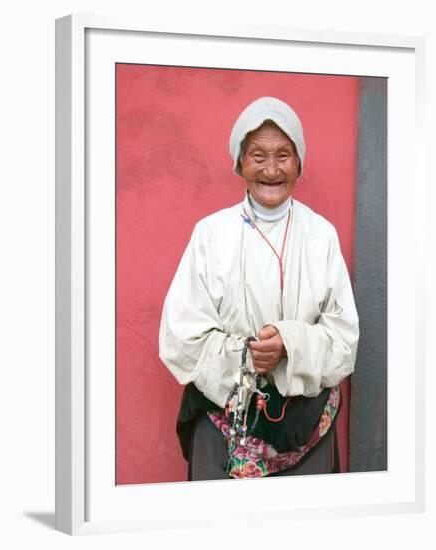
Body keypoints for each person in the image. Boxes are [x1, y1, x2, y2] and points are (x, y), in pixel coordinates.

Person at [159, 96, 359, 480]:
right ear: (240, 163)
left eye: (283, 155)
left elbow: (344, 341)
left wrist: (289, 344)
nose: (271, 169)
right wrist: (246, 357)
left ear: (299, 162)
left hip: (306, 427)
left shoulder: (321, 236)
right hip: (223, 426)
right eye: (258, 155)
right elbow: (180, 338)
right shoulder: (211, 235)